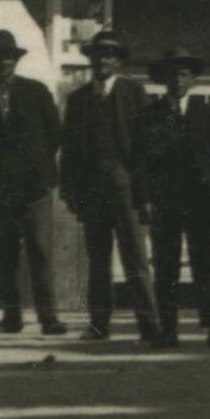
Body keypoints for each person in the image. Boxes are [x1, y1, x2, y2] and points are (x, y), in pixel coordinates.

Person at [0, 30, 67, 337]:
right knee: (5, 254)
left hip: (34, 188)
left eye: (9, 57)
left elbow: (55, 134)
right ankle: (11, 316)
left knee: (40, 251)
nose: (4, 63)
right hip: (0, 190)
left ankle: (49, 317)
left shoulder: (36, 91)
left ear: (16, 60)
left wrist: (39, 168)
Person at [130, 69, 210, 346]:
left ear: (192, 80)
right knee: (166, 266)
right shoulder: (150, 115)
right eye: (173, 75)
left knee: (207, 264)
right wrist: (143, 199)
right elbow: (139, 160)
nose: (178, 80)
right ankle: (168, 331)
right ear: (164, 80)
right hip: (165, 200)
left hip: (199, 201)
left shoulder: (205, 112)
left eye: (184, 75)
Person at [64, 51, 154, 344]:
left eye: (109, 56)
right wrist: (69, 190)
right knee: (98, 260)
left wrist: (144, 191)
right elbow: (69, 148)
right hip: (92, 189)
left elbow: (146, 145)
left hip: (126, 187)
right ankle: (99, 325)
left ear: (118, 62)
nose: (102, 61)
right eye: (98, 56)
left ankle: (149, 325)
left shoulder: (133, 92)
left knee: (135, 257)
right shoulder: (78, 99)